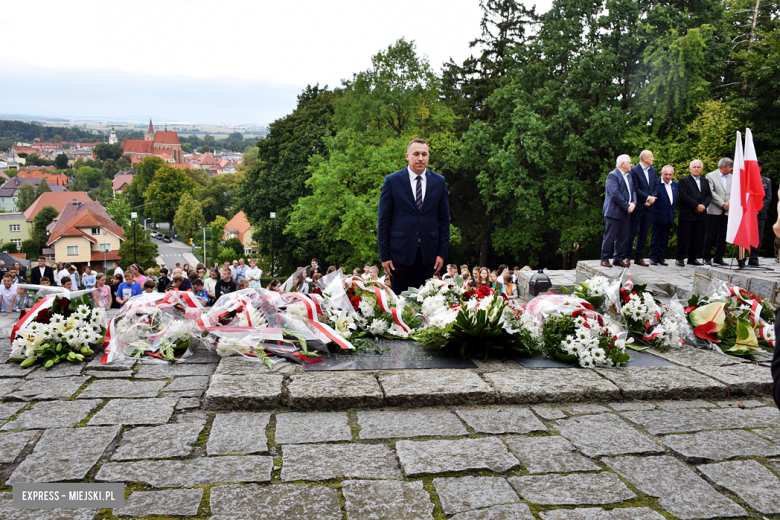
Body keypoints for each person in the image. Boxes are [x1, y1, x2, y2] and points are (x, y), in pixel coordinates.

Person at [377, 139, 451, 294]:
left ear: (428, 156)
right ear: (407, 156)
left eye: (424, 154)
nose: (420, 158)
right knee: (400, 305)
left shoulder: (439, 181)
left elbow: (444, 220)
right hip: (399, 255)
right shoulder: (392, 181)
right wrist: (384, 255)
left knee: (424, 304)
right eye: (416, 154)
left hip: (428, 255)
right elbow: (383, 222)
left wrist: (441, 253)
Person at [601, 155, 637, 268]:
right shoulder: (613, 175)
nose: (631, 165)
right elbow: (615, 193)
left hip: (626, 212)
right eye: (630, 163)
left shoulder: (629, 176)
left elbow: (633, 191)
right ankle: (604, 258)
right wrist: (627, 205)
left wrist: (634, 203)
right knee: (610, 235)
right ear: (622, 164)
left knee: (623, 236)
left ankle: (618, 258)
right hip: (614, 211)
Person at [676, 159, 713, 267]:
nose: (696, 169)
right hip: (688, 214)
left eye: (698, 167)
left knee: (696, 238)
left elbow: (709, 196)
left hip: (700, 215)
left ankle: (692, 258)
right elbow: (683, 196)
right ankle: (679, 258)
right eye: (694, 167)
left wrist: (704, 206)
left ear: (701, 169)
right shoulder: (684, 180)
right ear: (690, 169)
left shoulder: (705, 181)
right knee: (683, 237)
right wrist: (696, 206)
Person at [629, 150, 658, 266]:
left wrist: (652, 198)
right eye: (651, 157)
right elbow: (635, 188)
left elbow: (656, 185)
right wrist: (646, 198)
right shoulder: (634, 170)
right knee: (632, 232)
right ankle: (627, 256)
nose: (653, 159)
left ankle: (638, 257)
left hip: (649, 207)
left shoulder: (653, 171)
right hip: (638, 206)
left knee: (644, 233)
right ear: (645, 159)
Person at [703, 158, 734, 266]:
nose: (732, 169)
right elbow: (710, 192)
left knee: (724, 234)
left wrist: (729, 203)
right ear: (723, 166)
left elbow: (735, 192)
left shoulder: (733, 177)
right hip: (714, 210)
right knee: (710, 234)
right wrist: (722, 204)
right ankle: (706, 257)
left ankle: (719, 257)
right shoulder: (710, 176)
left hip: (727, 211)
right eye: (730, 167)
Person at [648, 165, 678, 266]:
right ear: (661, 174)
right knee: (655, 237)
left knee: (665, 238)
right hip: (657, 215)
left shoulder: (675, 184)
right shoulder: (656, 184)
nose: (668, 176)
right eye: (666, 174)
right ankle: (653, 256)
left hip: (669, 215)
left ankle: (661, 257)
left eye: (670, 174)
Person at [750, 161, 772, 266]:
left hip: (760, 213)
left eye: (758, 167)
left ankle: (754, 258)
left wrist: (758, 209)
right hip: (747, 213)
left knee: (757, 236)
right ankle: (740, 257)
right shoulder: (746, 180)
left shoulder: (766, 181)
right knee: (745, 235)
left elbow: (768, 197)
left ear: (760, 169)